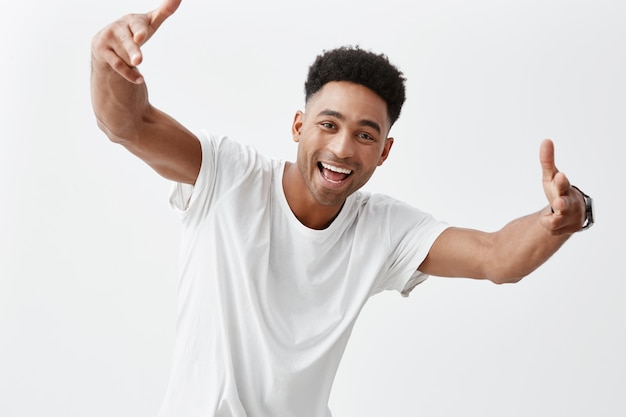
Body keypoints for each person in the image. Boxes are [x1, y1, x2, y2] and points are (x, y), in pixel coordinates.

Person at [90, 1, 594, 416]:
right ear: (298, 126)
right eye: (328, 125)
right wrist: (106, 57)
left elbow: (494, 256)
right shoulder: (230, 176)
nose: (342, 148)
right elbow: (129, 124)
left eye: (365, 134)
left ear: (384, 152)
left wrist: (564, 217)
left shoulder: (382, 229)